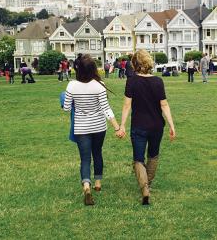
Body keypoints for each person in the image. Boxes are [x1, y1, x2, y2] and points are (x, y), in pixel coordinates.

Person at [117, 50, 176, 205]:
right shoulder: (158, 81)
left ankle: (144, 189)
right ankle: (147, 185)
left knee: (138, 159)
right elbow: (164, 105)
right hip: (157, 126)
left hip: (139, 126)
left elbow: (126, 105)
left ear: (135, 64)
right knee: (153, 155)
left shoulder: (131, 81)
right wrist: (171, 125)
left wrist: (122, 125)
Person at [63, 55, 121, 206]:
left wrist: (65, 101)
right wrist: (117, 127)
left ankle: (87, 187)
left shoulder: (71, 86)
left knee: (85, 158)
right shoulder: (99, 85)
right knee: (97, 153)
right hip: (99, 127)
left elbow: (67, 108)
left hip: (81, 127)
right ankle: (98, 182)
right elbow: (106, 108)